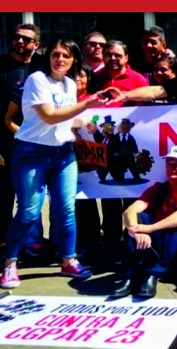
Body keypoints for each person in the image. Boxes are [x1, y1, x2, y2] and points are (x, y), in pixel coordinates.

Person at [1, 39, 110, 289]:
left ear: (74, 60)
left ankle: (68, 260)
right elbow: (49, 116)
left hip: (62, 153)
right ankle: (9, 263)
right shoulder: (37, 80)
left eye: (66, 55)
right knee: (29, 211)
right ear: (48, 57)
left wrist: (84, 122)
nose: (60, 59)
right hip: (31, 153)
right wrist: (87, 104)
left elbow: (65, 119)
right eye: (55, 54)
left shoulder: (69, 84)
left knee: (66, 209)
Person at [115, 145, 177, 297]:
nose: (171, 168)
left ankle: (152, 274)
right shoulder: (158, 188)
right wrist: (137, 232)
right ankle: (130, 275)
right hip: (159, 242)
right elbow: (130, 211)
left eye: (176, 164)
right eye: (168, 164)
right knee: (139, 218)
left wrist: (150, 229)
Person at [0, 24, 42, 247]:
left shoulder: (42, 66)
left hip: (38, 141)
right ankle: (3, 244)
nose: (20, 42)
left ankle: (33, 243)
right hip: (5, 141)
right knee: (4, 194)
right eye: (17, 37)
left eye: (26, 39)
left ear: (36, 44)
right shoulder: (1, 65)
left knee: (33, 193)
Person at [88, 40, 149, 108]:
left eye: (117, 55)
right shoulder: (94, 77)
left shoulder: (138, 79)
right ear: (103, 57)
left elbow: (146, 104)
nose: (113, 58)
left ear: (126, 58)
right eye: (108, 55)